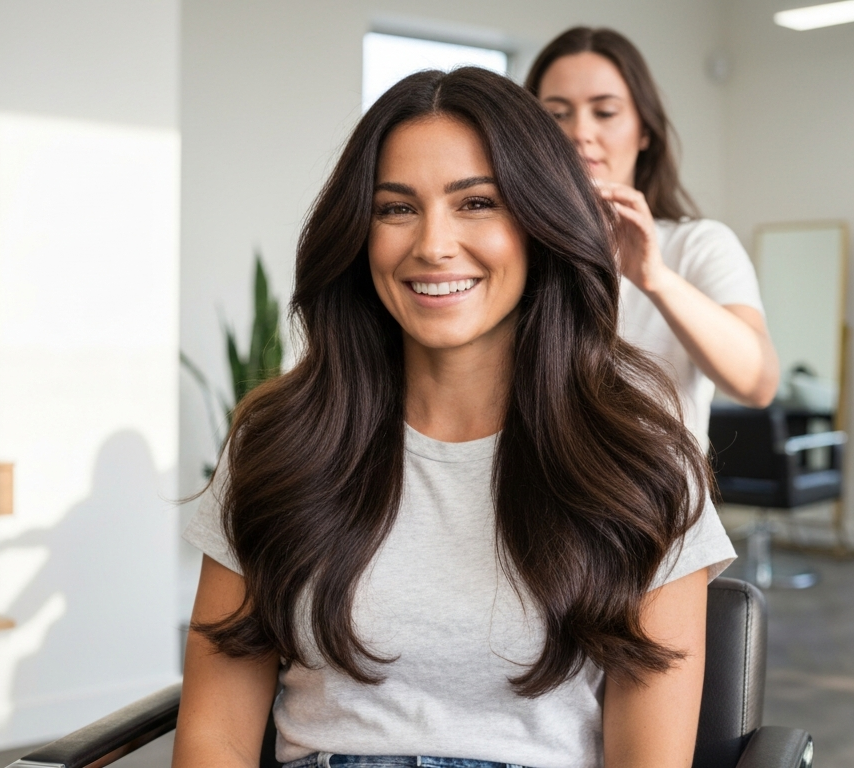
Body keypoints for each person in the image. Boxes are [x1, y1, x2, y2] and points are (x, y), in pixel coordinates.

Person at [175, 67, 736, 768]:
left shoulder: (642, 462)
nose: (433, 245)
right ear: (360, 232)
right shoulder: (280, 444)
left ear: (541, 223)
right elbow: (214, 738)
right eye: (395, 208)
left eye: (477, 203)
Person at [526, 27, 780, 446]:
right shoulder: (508, 249)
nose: (580, 132)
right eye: (556, 115)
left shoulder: (698, 245)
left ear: (645, 130)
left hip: (663, 509)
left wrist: (653, 276)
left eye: (604, 112)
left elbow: (758, 384)